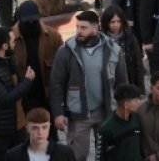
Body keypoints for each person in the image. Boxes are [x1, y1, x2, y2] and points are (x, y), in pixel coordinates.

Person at [49, 10, 132, 161]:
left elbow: (122, 81)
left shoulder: (113, 49)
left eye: (83, 27)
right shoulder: (66, 51)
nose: (79, 31)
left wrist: (124, 108)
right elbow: (56, 84)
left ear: (95, 28)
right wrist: (58, 113)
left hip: (106, 111)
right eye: (77, 27)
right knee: (76, 155)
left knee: (109, 153)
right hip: (78, 113)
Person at [0, 26, 36, 160]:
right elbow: (4, 99)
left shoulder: (8, 59)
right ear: (5, 46)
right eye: (13, 41)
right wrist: (27, 81)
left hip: (17, 126)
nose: (15, 43)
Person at [5, 107, 77, 161]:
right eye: (35, 128)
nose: (40, 132)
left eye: (44, 127)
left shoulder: (65, 153)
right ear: (27, 128)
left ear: (49, 127)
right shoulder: (14, 155)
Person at [100, 83, 145, 161]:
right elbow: (100, 157)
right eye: (136, 100)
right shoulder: (106, 129)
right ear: (126, 105)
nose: (140, 102)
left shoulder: (137, 119)